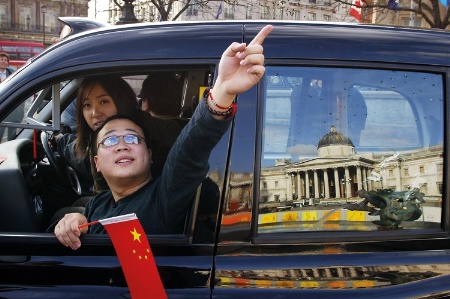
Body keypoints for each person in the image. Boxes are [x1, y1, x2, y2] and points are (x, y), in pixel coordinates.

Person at [54, 24, 273, 250]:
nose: (121, 145)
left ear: (149, 154)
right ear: (96, 162)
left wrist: (223, 91)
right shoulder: (98, 204)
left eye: (131, 139)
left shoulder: (163, 198)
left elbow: (189, 151)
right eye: (110, 140)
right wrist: (74, 221)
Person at [55, 75, 182, 194]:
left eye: (104, 102)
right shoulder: (99, 139)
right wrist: (60, 141)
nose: (95, 113)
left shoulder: (164, 135)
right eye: (87, 105)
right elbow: (79, 154)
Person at [0, 52, 24, 141]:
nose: (3, 61)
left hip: (11, 110)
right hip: (1, 107)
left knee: (12, 135)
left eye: (5, 60)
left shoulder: (11, 73)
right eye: (1, 59)